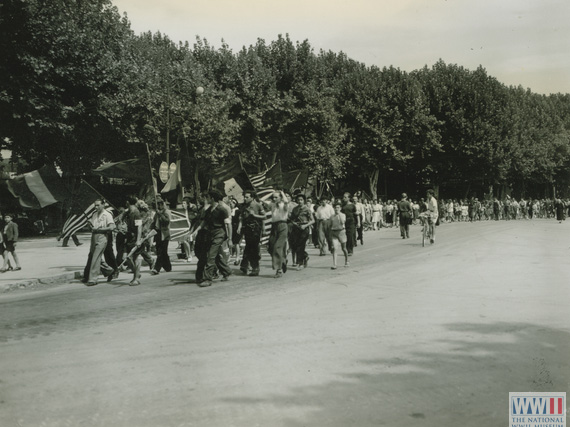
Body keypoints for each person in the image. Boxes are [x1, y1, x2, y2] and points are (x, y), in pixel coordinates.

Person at [196, 190, 233, 287]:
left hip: (219, 234)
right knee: (215, 255)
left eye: (207, 197)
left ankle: (207, 279)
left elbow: (228, 225)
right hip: (210, 234)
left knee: (211, 256)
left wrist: (230, 238)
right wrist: (196, 230)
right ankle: (226, 271)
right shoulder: (209, 210)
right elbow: (204, 222)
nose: (206, 199)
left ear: (212, 198)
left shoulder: (222, 209)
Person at [83, 200, 115, 285]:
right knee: (93, 256)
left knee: (96, 257)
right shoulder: (94, 214)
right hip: (94, 236)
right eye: (95, 206)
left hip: (102, 236)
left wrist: (100, 229)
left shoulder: (107, 214)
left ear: (103, 205)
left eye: (98, 205)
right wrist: (89, 225)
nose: (96, 207)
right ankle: (109, 270)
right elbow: (93, 226)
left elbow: (112, 227)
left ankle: (93, 279)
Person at [238, 190, 265, 276]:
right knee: (248, 246)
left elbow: (264, 216)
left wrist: (255, 215)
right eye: (244, 197)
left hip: (256, 229)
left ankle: (254, 268)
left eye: (247, 197)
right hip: (247, 229)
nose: (245, 199)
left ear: (252, 197)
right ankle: (245, 265)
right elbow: (241, 218)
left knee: (253, 248)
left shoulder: (258, 205)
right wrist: (239, 227)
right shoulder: (244, 206)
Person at [289, 194, 315, 270]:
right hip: (296, 228)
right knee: (296, 245)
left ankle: (299, 263)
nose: (300, 201)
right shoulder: (295, 209)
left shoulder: (307, 209)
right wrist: (293, 222)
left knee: (301, 245)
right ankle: (305, 256)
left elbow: (313, 220)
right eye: (298, 200)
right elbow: (292, 219)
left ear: (304, 201)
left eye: (301, 200)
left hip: (304, 228)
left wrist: (305, 225)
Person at [267, 190, 289, 278]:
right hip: (274, 226)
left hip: (283, 225)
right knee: (271, 246)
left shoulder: (284, 205)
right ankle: (283, 260)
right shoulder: (272, 205)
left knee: (278, 247)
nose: (274, 199)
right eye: (273, 197)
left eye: (276, 197)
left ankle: (278, 270)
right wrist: (271, 193)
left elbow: (286, 202)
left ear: (280, 197)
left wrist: (282, 193)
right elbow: (261, 201)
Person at [123, 196, 143, 286]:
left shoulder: (136, 213)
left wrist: (138, 240)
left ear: (127, 202)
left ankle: (136, 279)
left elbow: (139, 227)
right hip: (129, 238)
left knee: (135, 258)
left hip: (136, 238)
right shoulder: (128, 212)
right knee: (126, 258)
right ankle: (137, 274)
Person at [150, 197, 172, 275]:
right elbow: (154, 222)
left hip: (164, 234)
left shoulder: (167, 212)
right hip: (158, 233)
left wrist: (160, 214)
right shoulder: (157, 213)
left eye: (159, 205)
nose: (158, 206)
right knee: (162, 252)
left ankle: (157, 268)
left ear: (162, 204)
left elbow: (166, 221)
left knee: (161, 251)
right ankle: (168, 266)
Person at [330, 203, 349, 269]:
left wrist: (339, 215)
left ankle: (347, 261)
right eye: (335, 207)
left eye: (338, 207)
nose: (336, 209)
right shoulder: (332, 216)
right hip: (334, 232)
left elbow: (342, 222)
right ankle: (334, 264)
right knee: (335, 248)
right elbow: (330, 225)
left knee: (344, 248)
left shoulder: (343, 215)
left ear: (340, 208)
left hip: (341, 232)